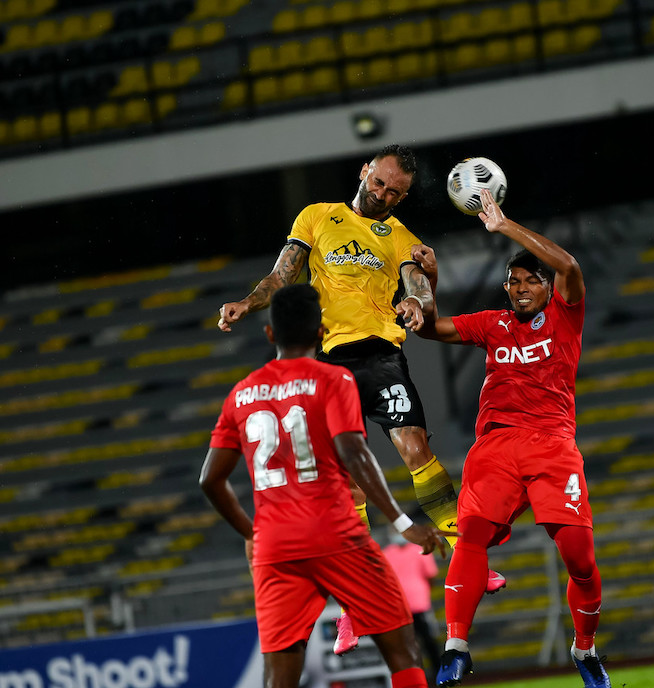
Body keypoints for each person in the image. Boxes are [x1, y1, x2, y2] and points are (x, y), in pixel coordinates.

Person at [216, 144, 504, 653]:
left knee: (417, 449)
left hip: (383, 356)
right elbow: (284, 276)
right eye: (380, 183)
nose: (384, 195)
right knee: (345, 478)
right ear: (364, 171)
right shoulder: (318, 216)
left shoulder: (400, 237)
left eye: (396, 192)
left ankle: (467, 552)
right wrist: (246, 301)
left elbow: (418, 287)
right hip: (330, 363)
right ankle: (354, 605)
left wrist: (418, 300)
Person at [200, 283, 448, 688]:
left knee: (279, 674)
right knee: (403, 650)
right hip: (336, 534)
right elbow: (355, 454)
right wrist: (404, 524)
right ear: (321, 333)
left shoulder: (241, 395)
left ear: (269, 334)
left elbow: (210, 480)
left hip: (276, 546)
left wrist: (251, 532)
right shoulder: (333, 380)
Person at [413, 190, 611, 688]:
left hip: (552, 445)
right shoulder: (494, 325)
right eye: (512, 282)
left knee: (580, 560)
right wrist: (429, 286)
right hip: (497, 445)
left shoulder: (567, 314)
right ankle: (456, 646)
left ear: (547, 288)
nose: (519, 289)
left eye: (529, 282)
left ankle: (584, 649)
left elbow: (567, 263)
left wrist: (503, 226)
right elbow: (433, 330)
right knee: (470, 535)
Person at [382, 528, 443, 681]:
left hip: (401, 605)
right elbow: (430, 575)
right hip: (417, 603)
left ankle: (416, 678)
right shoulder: (420, 550)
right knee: (427, 642)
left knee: (407, 646)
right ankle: (438, 676)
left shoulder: (387, 554)